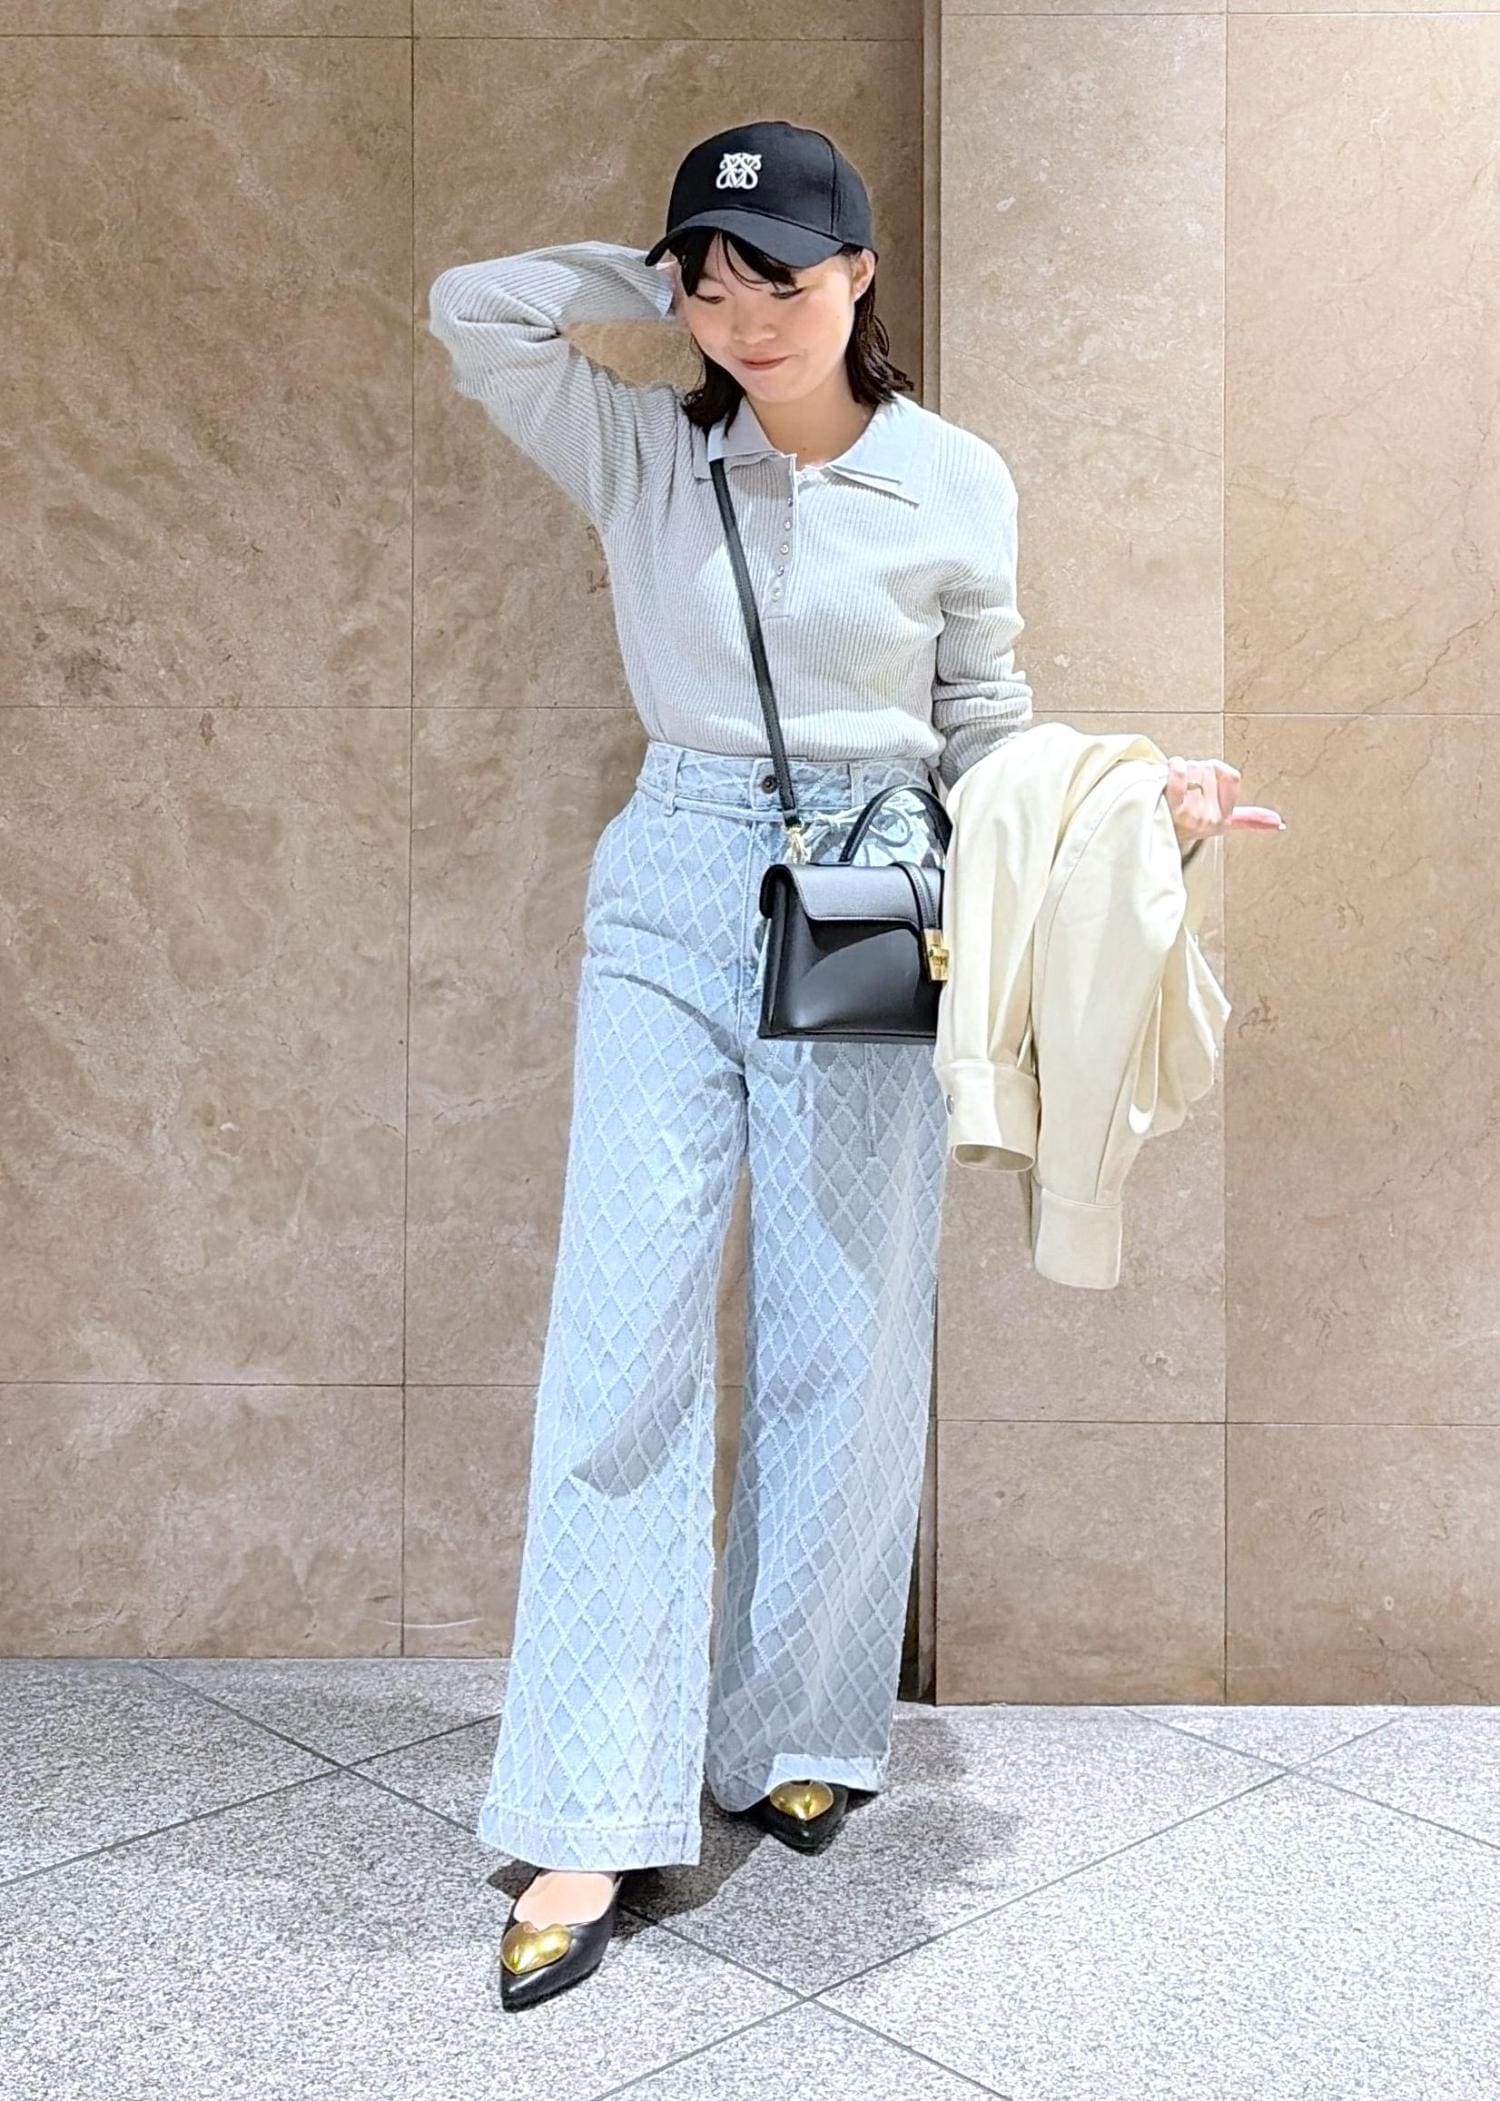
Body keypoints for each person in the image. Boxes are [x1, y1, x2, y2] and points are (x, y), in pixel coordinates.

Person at [427, 117, 1241, 2014]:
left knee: (842, 1319)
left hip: (875, 883)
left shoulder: (955, 478)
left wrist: (1137, 812)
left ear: (860, 274)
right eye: (711, 283)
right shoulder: (647, 444)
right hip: (675, 874)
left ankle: (799, 1721)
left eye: (779, 277)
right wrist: (652, 274)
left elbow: (987, 728)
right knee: (621, 1339)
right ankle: (585, 1806)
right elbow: (473, 311)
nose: (743, 317)